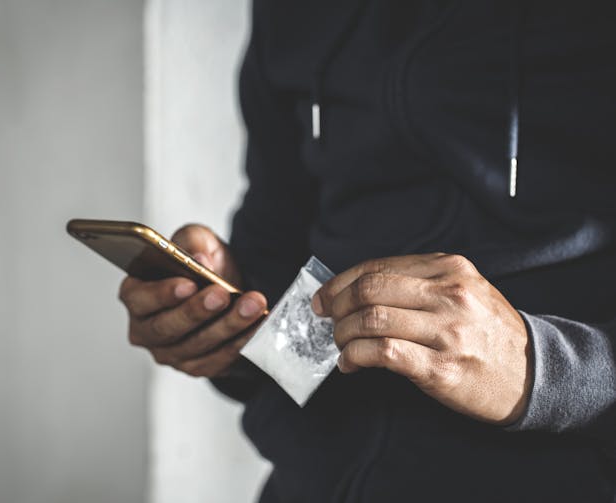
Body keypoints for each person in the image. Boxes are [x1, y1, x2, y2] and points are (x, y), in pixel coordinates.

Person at [119, 1, 616, 501]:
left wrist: (541, 371)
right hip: (309, 485)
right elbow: (276, 248)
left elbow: (555, 376)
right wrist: (222, 325)